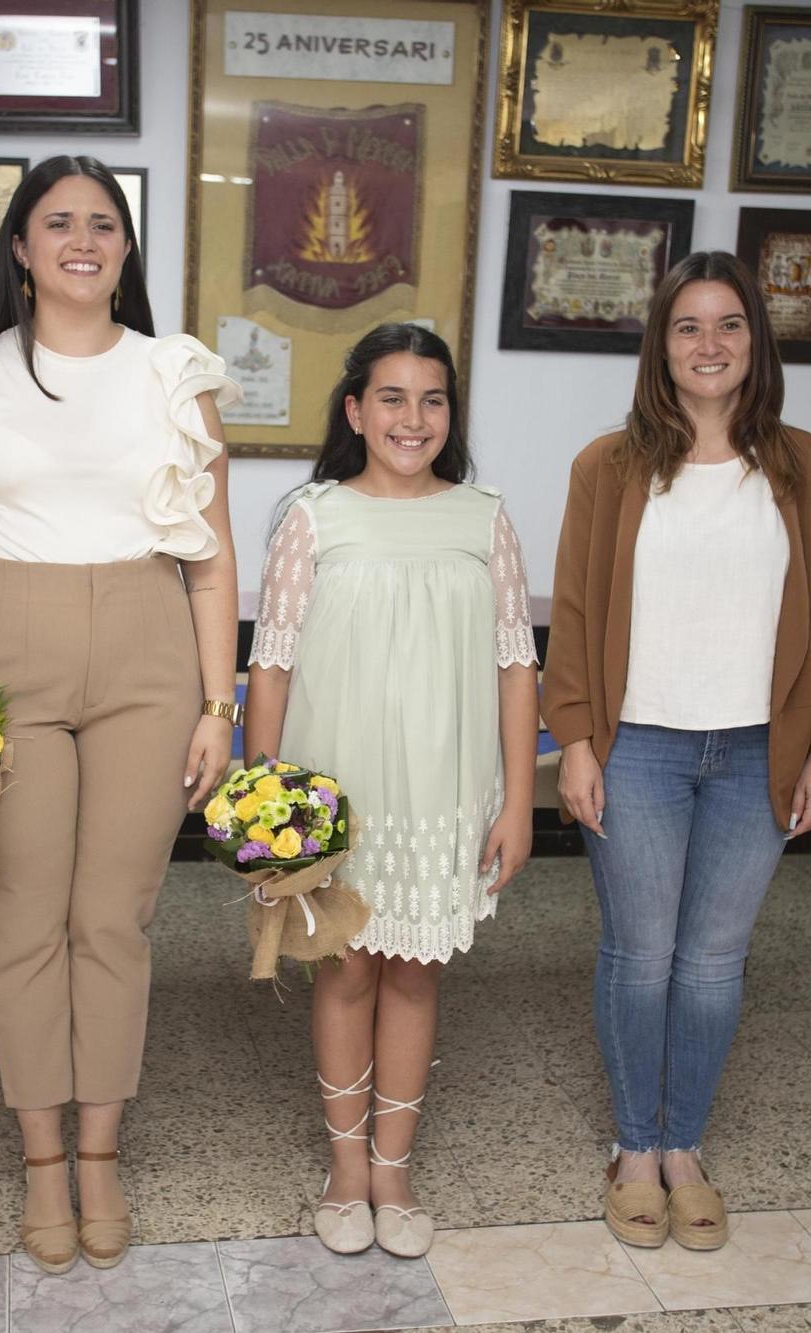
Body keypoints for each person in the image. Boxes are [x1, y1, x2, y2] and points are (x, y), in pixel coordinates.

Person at [0, 155, 240, 1274]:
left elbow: (211, 553)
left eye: (103, 223)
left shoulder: (173, 375)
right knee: (25, 914)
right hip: (6, 649)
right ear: (21, 248)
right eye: (59, 223)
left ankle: (101, 1149)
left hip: (147, 646)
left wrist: (215, 701)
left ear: (125, 250)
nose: (83, 239)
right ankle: (40, 1158)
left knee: (113, 914)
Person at [542, 251, 811, 1252]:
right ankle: (634, 1148)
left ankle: (685, 1149)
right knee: (641, 959)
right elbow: (577, 615)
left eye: (728, 324)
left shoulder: (799, 462)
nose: (708, 344)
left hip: (757, 751)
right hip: (637, 749)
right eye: (687, 326)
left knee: (712, 966)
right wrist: (575, 741)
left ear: (754, 342)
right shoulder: (609, 465)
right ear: (658, 345)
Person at [244, 323, 539, 1258]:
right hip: (336, 792)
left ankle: (394, 1169)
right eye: (394, 398)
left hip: (443, 791)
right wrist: (264, 808)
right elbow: (275, 665)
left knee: (416, 970)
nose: (414, 419)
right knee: (346, 967)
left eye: (433, 399)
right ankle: (344, 1167)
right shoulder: (314, 516)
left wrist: (519, 802)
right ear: (356, 411)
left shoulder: (483, 516)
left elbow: (516, 667)